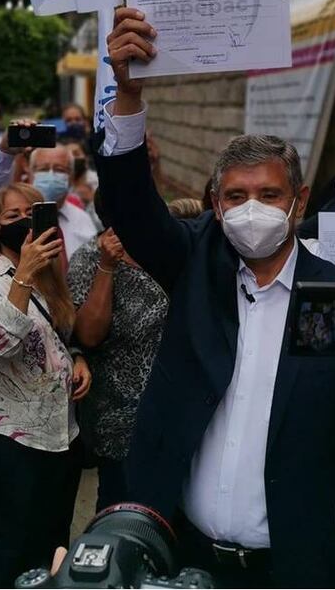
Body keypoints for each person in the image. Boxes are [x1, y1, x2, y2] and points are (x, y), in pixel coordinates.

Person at [96, 6, 335, 588]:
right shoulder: (196, 265)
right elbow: (133, 208)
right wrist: (128, 96)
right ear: (214, 204)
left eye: (268, 192)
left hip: (295, 567)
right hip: (186, 556)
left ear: (299, 201)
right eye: (235, 196)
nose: (251, 208)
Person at [66, 195, 206, 511]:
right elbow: (87, 335)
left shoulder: (183, 256)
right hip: (120, 421)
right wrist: (107, 267)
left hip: (178, 414)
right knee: (119, 508)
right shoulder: (93, 257)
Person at [0, 183, 92, 588]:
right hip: (17, 443)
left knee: (53, 545)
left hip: (61, 437)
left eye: (31, 215)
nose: (22, 224)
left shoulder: (50, 274)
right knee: (12, 548)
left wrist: (78, 358)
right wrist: (26, 275)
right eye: (11, 216)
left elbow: (59, 332)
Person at [23, 143, 99, 260]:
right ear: (30, 173)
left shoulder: (83, 219)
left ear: (71, 177)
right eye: (43, 169)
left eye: (59, 170)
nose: (51, 175)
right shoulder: (17, 217)